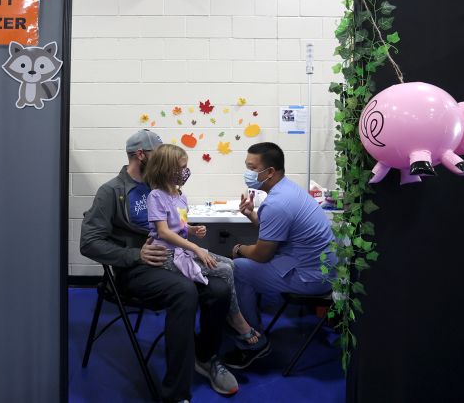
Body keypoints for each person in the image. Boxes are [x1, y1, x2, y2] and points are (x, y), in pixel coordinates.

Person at [80, 130, 238, 403]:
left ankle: (205, 357)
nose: (166, 157)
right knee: (184, 291)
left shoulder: (163, 186)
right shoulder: (112, 191)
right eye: (158, 151)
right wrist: (133, 255)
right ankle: (176, 394)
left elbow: (174, 225)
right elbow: (89, 242)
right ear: (141, 155)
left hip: (174, 259)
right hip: (136, 269)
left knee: (220, 289)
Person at [221, 142, 338, 370]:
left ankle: (254, 343)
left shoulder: (277, 203)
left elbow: (262, 255)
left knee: (239, 269)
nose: (248, 172)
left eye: (252, 167)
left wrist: (237, 249)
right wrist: (252, 215)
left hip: (312, 277)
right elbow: (277, 233)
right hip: (318, 268)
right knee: (244, 263)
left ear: (270, 171)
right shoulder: (289, 190)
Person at [142, 143, 262, 346]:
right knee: (223, 270)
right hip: (166, 255)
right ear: (166, 169)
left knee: (231, 265)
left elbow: (179, 227)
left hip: (182, 250)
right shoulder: (156, 196)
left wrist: (192, 230)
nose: (185, 172)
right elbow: (163, 231)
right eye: (181, 168)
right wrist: (196, 247)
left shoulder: (180, 196)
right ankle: (235, 319)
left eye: (186, 167)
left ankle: (229, 314)